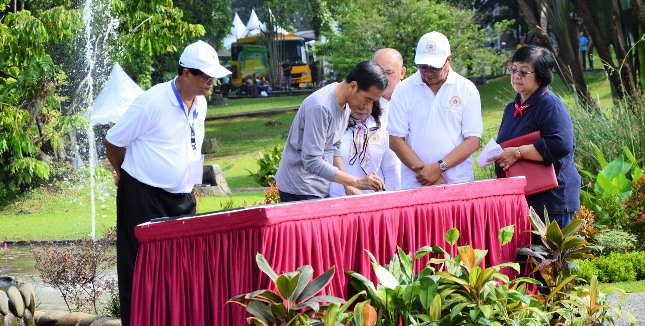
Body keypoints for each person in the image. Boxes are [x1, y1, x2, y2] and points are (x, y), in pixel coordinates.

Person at [103, 40, 231, 326]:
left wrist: (192, 184)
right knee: (138, 267)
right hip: (142, 195)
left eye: (213, 76)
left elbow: (194, 146)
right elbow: (113, 140)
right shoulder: (152, 102)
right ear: (186, 73)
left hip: (182, 196)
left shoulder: (202, 102)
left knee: (183, 266)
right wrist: (121, 172)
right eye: (206, 76)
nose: (212, 82)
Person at [491, 45, 580, 229]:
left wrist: (517, 152)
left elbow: (560, 144)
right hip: (522, 198)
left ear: (541, 76)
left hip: (551, 200)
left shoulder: (550, 105)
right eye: (513, 69)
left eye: (524, 72)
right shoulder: (511, 109)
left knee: (552, 257)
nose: (516, 76)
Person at [275, 61, 388, 202]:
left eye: (373, 102)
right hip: (300, 188)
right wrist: (356, 181)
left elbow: (334, 146)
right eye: (368, 99)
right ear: (353, 86)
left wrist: (348, 185)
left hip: (320, 187)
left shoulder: (345, 104)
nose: (368, 106)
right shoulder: (320, 107)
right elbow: (311, 161)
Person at [387, 31, 483, 189]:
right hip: (416, 182)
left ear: (449, 60)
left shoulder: (466, 89)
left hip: (457, 181)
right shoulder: (403, 90)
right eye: (423, 67)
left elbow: (473, 140)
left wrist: (439, 168)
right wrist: (426, 174)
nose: (428, 72)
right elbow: (396, 140)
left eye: (434, 67)